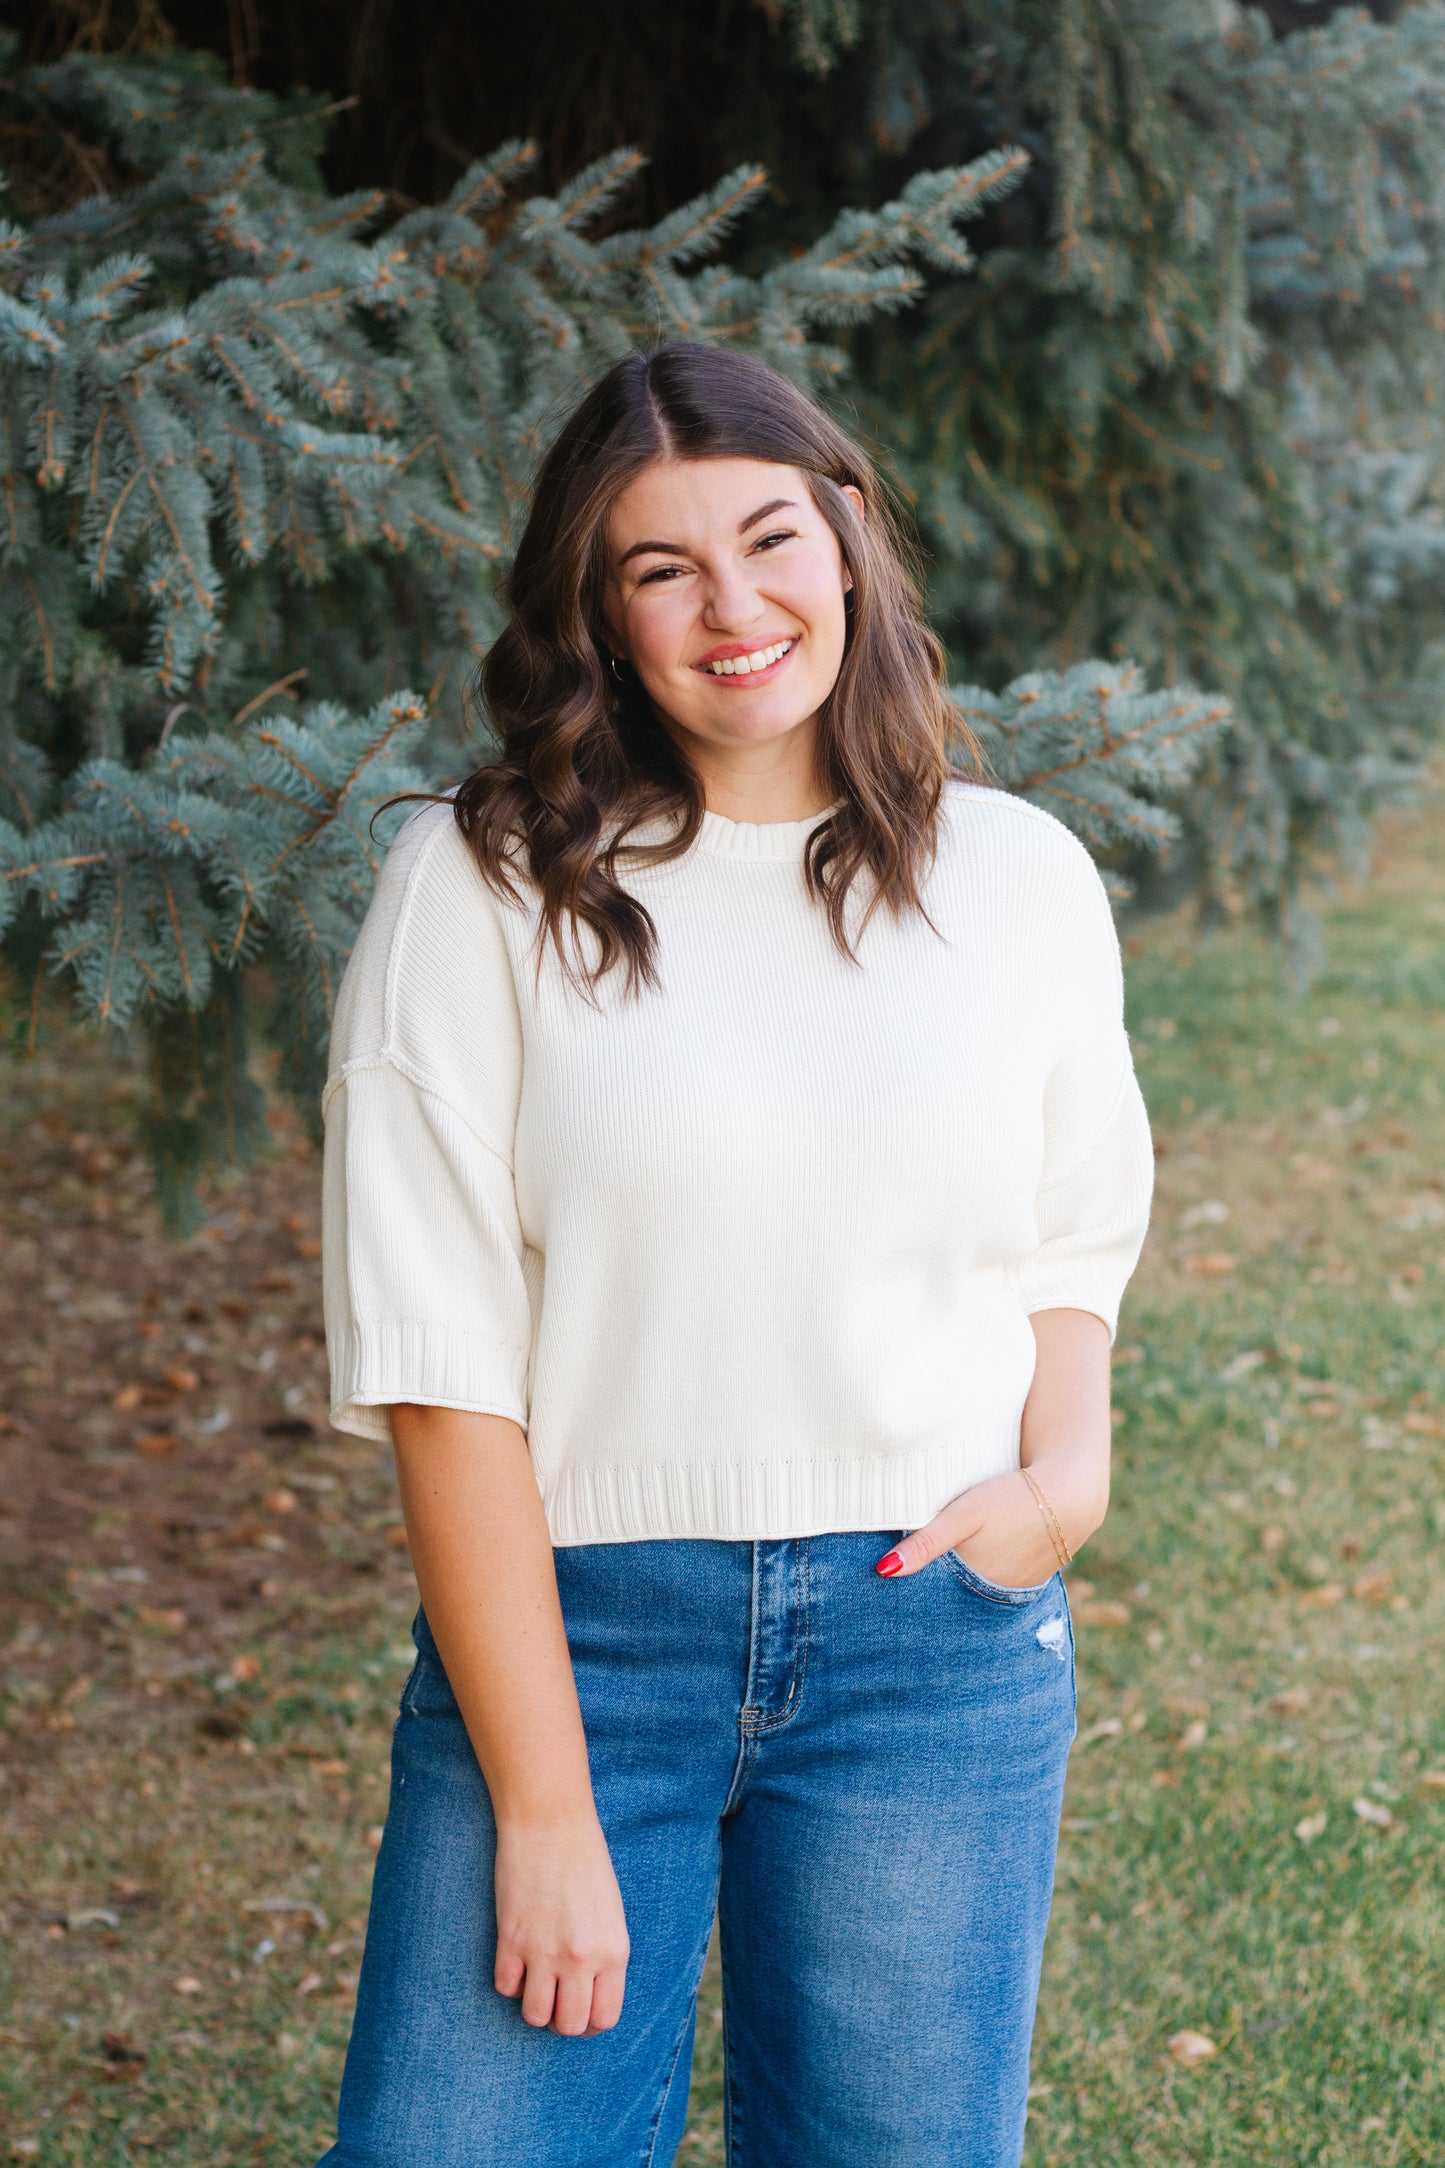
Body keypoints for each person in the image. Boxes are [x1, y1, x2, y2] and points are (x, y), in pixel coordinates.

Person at [316, 340, 1153, 2168]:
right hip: (583, 1644)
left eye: (769, 538)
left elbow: (1070, 1227)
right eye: (658, 569)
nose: (733, 608)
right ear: (600, 620)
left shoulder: (1016, 876)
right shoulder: (477, 886)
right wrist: (543, 1805)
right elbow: (440, 1364)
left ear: (848, 536)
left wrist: (1066, 1481)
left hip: (931, 1645)